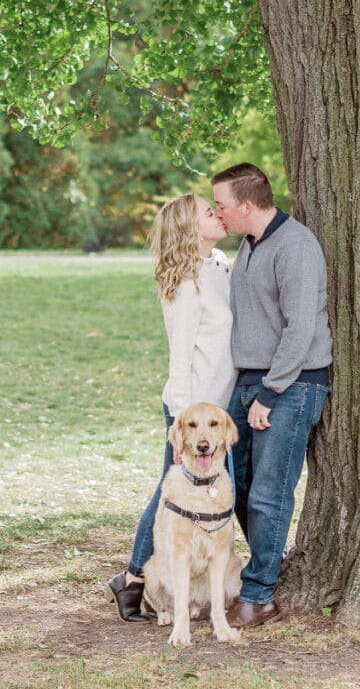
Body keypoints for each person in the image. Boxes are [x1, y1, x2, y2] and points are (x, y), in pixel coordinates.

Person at [210, 163, 333, 628]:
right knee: (234, 484)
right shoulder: (248, 243)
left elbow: (301, 328)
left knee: (269, 491)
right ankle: (271, 556)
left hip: (292, 383)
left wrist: (270, 391)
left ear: (246, 205)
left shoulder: (296, 247)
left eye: (221, 206)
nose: (218, 214)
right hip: (248, 383)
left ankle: (259, 594)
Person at [106, 192, 237, 622]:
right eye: (207, 210)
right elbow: (179, 361)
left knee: (208, 493)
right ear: (188, 227)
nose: (216, 213)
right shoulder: (184, 284)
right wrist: (182, 430)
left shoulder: (216, 264)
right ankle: (132, 578)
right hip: (192, 414)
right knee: (170, 498)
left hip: (218, 413)